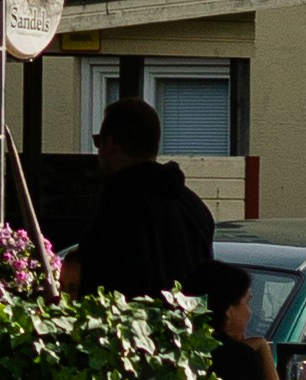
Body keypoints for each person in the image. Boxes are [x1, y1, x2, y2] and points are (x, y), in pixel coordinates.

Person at [69, 93, 221, 305]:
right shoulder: (192, 205)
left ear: (111, 144)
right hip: (186, 332)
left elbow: (116, 283)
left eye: (98, 142)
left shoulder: (119, 204)